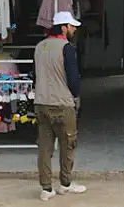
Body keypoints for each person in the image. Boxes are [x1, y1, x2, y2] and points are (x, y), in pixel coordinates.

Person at [34, 11, 86, 201]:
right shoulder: (67, 48)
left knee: (44, 147)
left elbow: (35, 74)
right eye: (71, 26)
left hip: (41, 103)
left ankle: (46, 188)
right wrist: (76, 95)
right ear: (63, 28)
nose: (74, 30)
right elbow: (73, 78)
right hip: (62, 104)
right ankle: (65, 184)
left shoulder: (39, 46)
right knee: (68, 145)